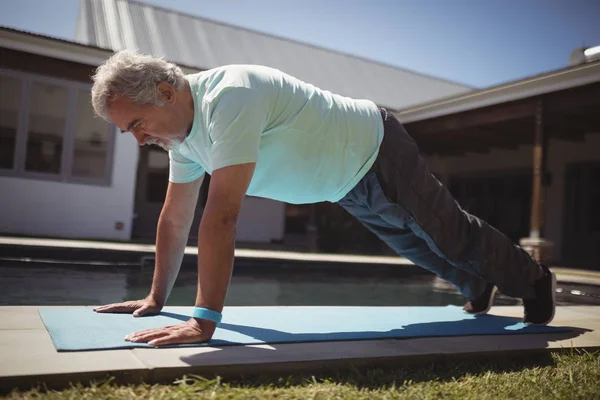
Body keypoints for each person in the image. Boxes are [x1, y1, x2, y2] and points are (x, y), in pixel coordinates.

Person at [91, 50, 556, 347]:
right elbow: (175, 220)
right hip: (342, 182)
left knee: (446, 232)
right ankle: (478, 286)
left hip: (376, 148)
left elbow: (222, 216)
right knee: (413, 243)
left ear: (167, 93)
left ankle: (533, 279)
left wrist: (203, 321)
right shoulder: (182, 138)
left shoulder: (230, 96)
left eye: (136, 125)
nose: (137, 139)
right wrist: (154, 297)